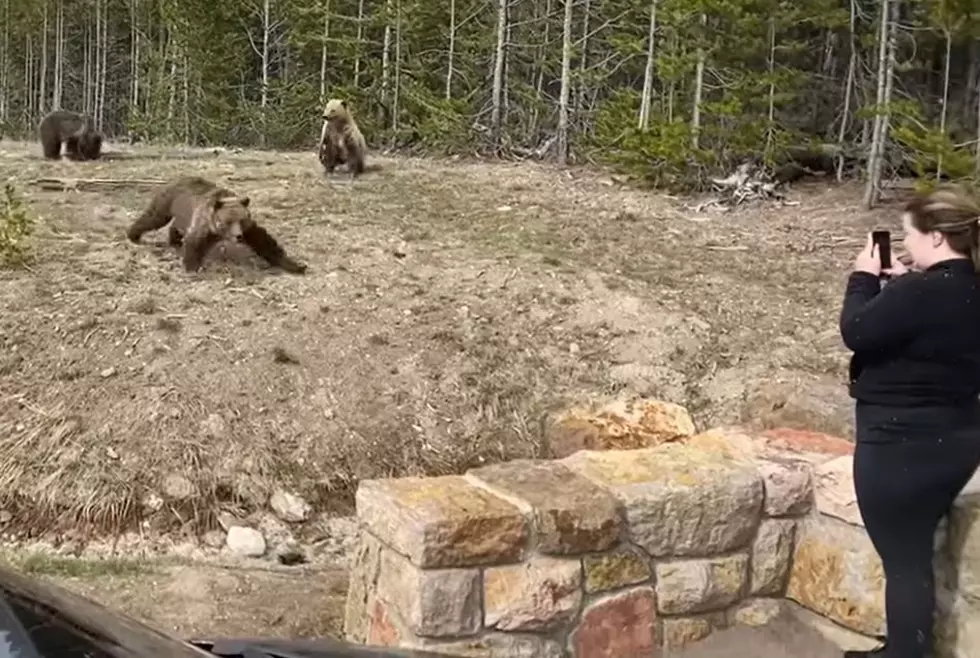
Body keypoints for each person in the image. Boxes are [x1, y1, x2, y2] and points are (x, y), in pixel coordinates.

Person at [838, 185, 980, 658]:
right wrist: (902, 283)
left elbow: (857, 330)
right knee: (913, 559)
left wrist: (863, 278)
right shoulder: (962, 286)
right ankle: (903, 648)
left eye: (911, 235)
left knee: (904, 565)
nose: (907, 246)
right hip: (957, 442)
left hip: (897, 448)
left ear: (937, 237)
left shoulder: (921, 292)